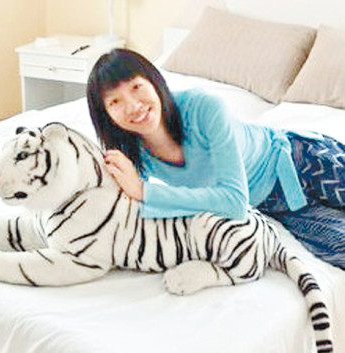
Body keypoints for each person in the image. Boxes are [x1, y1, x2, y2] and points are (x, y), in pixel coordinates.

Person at [86, 48, 345, 269]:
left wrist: (145, 192)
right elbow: (132, 212)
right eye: (115, 102)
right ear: (105, 115)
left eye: (136, 87)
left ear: (154, 82)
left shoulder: (204, 108)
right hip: (277, 205)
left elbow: (234, 201)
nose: (133, 106)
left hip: (302, 160)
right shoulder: (130, 153)